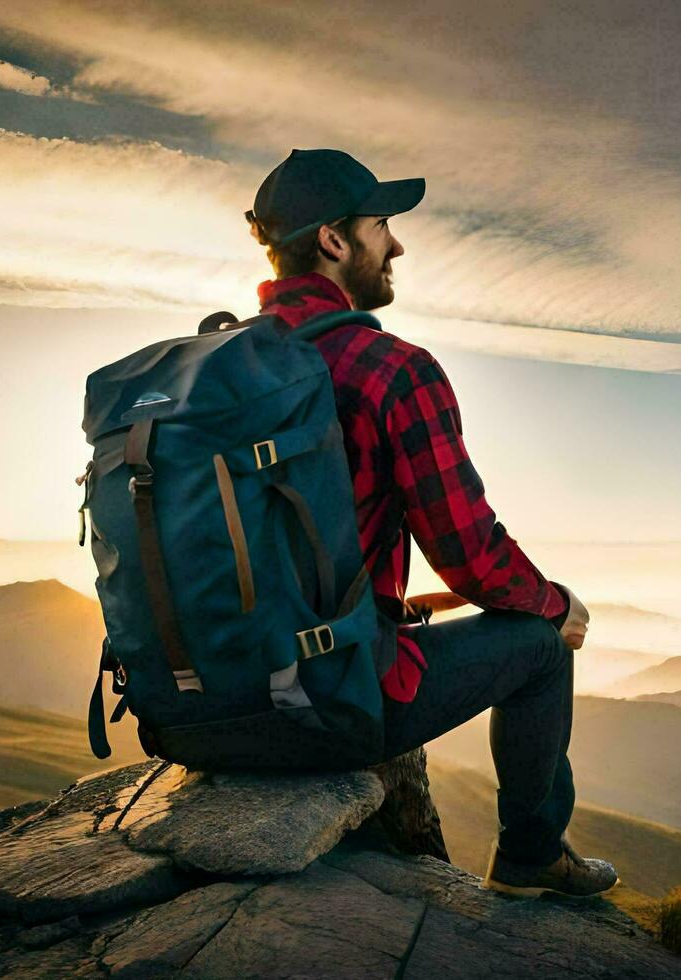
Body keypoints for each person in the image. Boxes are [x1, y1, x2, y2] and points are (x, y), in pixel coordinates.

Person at [244, 148, 617, 898]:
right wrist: (556, 604)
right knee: (540, 647)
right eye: (383, 225)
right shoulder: (391, 369)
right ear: (334, 241)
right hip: (327, 705)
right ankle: (531, 858)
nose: (398, 245)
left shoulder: (225, 366)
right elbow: (469, 553)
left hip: (210, 701)